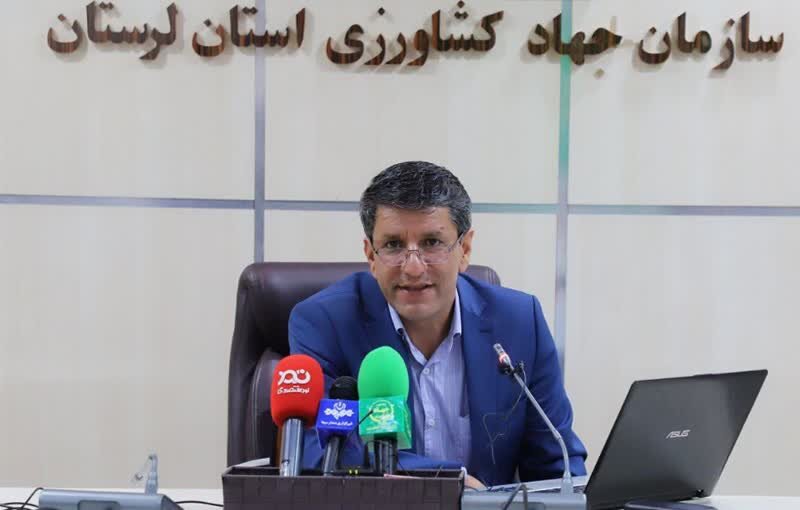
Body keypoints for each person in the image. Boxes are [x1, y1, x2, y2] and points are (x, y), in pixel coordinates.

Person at [289, 161, 586, 487]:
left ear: (465, 249)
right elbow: (320, 453)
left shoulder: (519, 322)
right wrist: (449, 483)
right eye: (393, 245)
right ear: (371, 256)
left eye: (432, 242)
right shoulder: (325, 323)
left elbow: (557, 465)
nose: (413, 268)